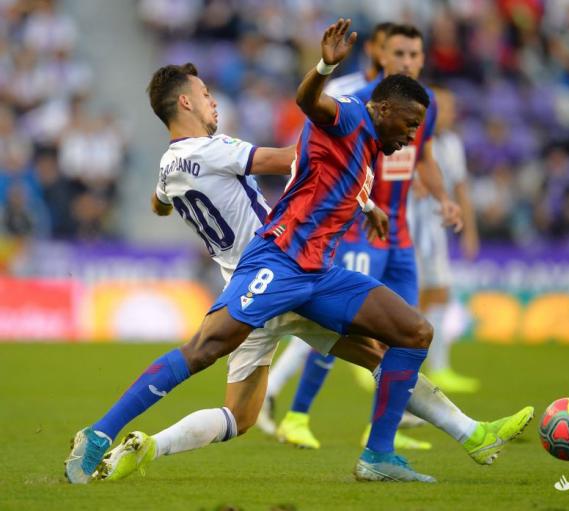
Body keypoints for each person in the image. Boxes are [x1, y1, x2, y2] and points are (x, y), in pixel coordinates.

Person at [65, 18, 458, 484]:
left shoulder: (168, 167)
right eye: (207, 94)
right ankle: (100, 432)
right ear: (186, 101)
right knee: (213, 349)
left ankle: (432, 442)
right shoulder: (214, 149)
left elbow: (158, 202)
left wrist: (360, 195)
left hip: (283, 274)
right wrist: (346, 137)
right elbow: (293, 159)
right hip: (273, 267)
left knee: (253, 410)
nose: (213, 101)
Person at [272, 23, 468, 451]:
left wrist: (443, 198)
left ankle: (384, 429)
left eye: (415, 55)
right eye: (400, 54)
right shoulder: (364, 103)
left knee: (407, 330)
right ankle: (297, 416)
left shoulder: (423, 106)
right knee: (343, 326)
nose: (409, 62)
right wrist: (362, 205)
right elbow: (333, 159)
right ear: (381, 54)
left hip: (400, 232)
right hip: (363, 229)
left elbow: (425, 159)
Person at [409, 87, 481, 393]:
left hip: (437, 228)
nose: (448, 113)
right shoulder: (412, 140)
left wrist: (470, 230)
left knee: (440, 293)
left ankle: (438, 367)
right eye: (443, 107)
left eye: (451, 107)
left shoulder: (452, 144)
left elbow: (461, 187)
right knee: (408, 297)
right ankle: (383, 360)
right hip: (409, 227)